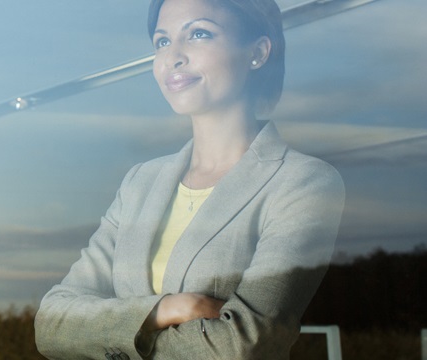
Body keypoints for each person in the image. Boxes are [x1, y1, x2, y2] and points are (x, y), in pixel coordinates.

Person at [34, 0, 345, 358]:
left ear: (257, 52)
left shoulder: (302, 183)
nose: (173, 56)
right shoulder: (140, 183)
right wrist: (164, 309)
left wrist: (108, 334)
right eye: (162, 42)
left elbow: (241, 345)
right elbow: (51, 323)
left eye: (198, 34)